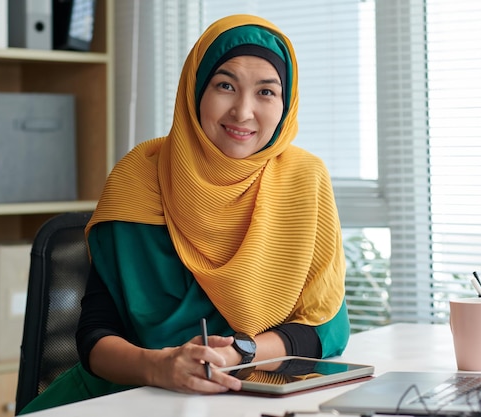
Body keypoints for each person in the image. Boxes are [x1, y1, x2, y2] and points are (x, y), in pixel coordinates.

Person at [18, 13, 350, 414]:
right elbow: (94, 336)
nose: (243, 112)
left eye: (266, 92)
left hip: (250, 396)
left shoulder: (304, 180)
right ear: (195, 91)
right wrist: (160, 366)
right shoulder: (141, 174)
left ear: (286, 105)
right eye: (225, 85)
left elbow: (326, 326)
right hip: (126, 395)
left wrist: (236, 354)